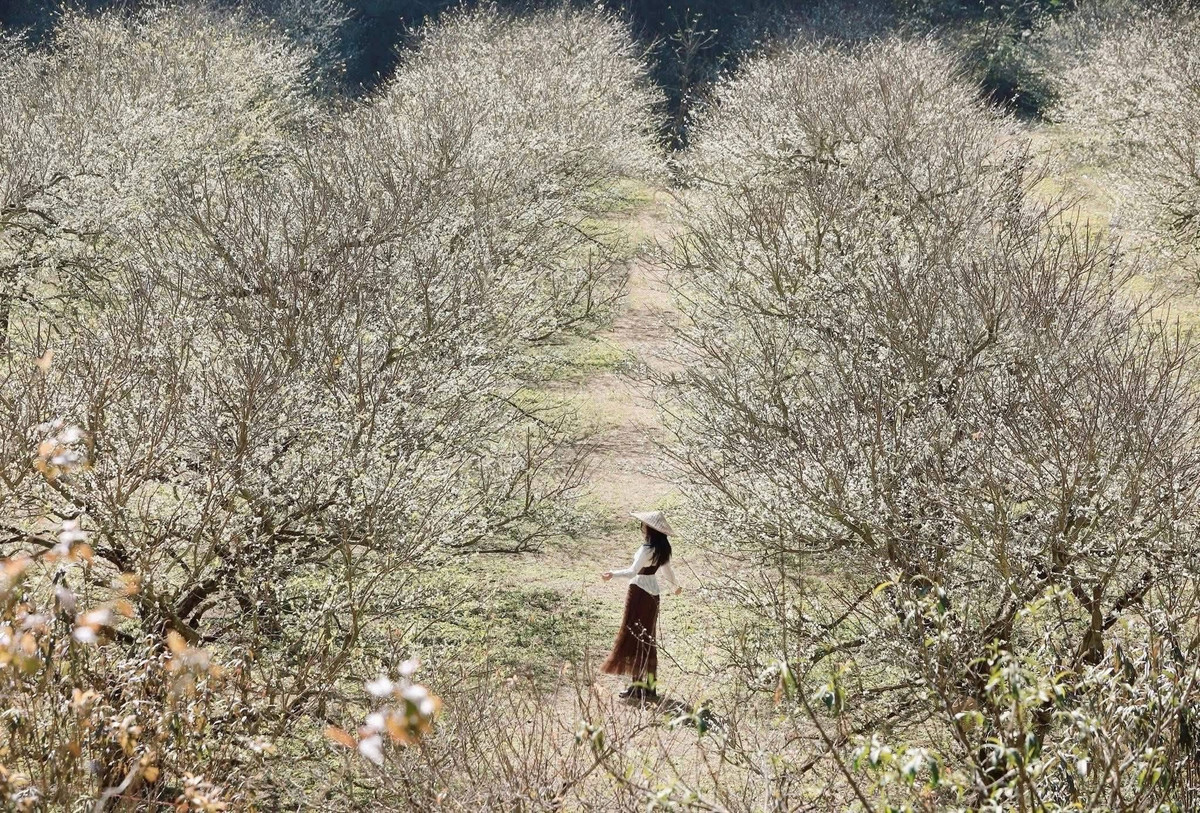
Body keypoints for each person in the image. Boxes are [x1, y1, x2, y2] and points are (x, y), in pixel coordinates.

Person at [600, 510, 681, 700]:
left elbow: (632, 572)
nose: (643, 527)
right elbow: (668, 572)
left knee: (635, 636)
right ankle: (650, 686)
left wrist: (612, 573)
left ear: (650, 529)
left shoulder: (646, 549)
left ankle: (636, 687)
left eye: (645, 525)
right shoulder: (663, 549)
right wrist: (676, 587)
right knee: (648, 639)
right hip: (654, 594)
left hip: (638, 593)